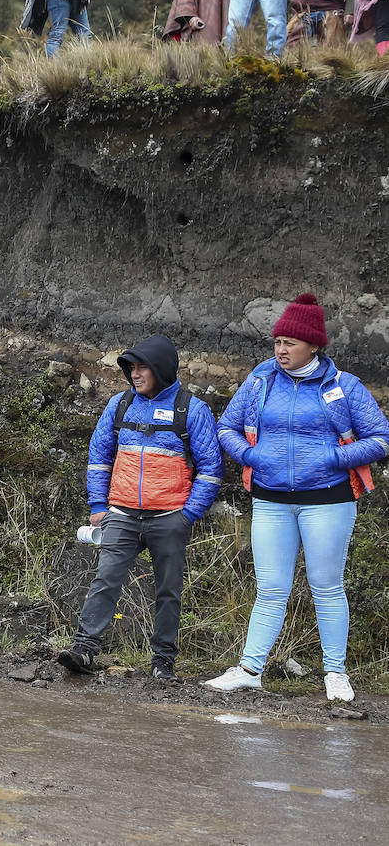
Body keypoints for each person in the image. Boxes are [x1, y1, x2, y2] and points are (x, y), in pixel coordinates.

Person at [204, 294, 389, 703]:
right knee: (270, 588)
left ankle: (335, 674)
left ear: (314, 346)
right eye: (277, 342)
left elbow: (381, 438)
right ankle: (250, 669)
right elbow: (227, 428)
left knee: (326, 586)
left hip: (328, 499)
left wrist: (332, 457)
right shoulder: (260, 380)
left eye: (290, 343)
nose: (281, 350)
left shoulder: (344, 385)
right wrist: (252, 455)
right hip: (270, 499)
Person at [56, 336, 223, 681]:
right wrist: (100, 505)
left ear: (160, 368)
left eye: (141, 366)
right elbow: (99, 459)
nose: (134, 373)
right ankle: (84, 650)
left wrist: (188, 515)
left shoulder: (192, 410)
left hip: (170, 518)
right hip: (121, 514)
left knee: (168, 591)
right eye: (131, 367)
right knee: (105, 580)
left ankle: (163, 663)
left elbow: (211, 469)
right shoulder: (118, 405)